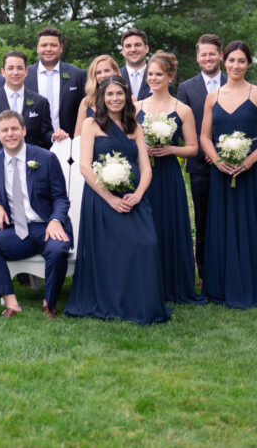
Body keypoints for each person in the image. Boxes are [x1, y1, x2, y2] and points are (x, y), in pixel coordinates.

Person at [65, 75, 171, 325]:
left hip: (134, 198)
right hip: (102, 200)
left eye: (119, 94)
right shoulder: (91, 125)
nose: (115, 99)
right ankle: (112, 301)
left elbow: (146, 168)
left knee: (146, 244)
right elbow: (84, 167)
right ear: (102, 97)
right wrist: (110, 198)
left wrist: (137, 195)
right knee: (111, 251)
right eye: (109, 94)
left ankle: (138, 302)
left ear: (127, 97)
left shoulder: (135, 125)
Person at [199, 41, 257, 309]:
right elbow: (205, 136)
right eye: (231, 61)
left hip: (251, 172)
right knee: (223, 225)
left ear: (248, 63)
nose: (236, 66)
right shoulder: (212, 97)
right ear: (223, 62)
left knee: (255, 224)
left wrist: (250, 160)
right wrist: (217, 161)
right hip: (222, 173)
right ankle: (222, 286)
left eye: (241, 61)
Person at [0, 110, 72, 319]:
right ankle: (12, 304)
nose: (10, 134)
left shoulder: (46, 158)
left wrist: (56, 220)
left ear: (23, 130)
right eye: (5, 130)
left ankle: (49, 303)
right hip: (18, 231)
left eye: (14, 129)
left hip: (47, 225)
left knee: (57, 250)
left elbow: (60, 197)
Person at [136, 52, 206, 304]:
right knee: (145, 229)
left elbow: (193, 147)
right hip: (143, 176)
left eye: (158, 74)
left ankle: (173, 284)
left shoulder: (183, 109)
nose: (153, 78)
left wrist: (170, 150)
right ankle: (145, 283)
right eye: (150, 74)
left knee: (169, 226)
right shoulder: (136, 107)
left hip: (168, 175)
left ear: (170, 76)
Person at [176, 33, 223, 285]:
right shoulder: (186, 88)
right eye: (203, 54)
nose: (208, 58)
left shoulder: (233, 81)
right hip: (199, 166)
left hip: (230, 162)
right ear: (197, 57)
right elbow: (184, 125)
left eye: (212, 53)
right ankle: (204, 273)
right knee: (203, 221)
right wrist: (206, 153)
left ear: (221, 56)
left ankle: (228, 267)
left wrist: (222, 153)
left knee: (228, 218)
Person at [0, 50, 53, 154]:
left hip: (31, 161)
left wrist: (54, 137)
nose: (15, 72)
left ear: (26, 72)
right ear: (3, 72)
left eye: (19, 68)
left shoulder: (40, 102)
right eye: (10, 68)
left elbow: (45, 134)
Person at [25, 27, 86, 142]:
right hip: (33, 145)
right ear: (37, 48)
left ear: (61, 48)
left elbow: (86, 111)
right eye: (44, 45)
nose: (48, 49)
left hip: (69, 143)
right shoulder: (24, 76)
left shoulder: (78, 75)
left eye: (53, 45)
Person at [73, 55, 120, 137]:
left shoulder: (129, 99)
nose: (103, 75)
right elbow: (78, 136)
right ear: (94, 76)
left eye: (107, 70)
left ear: (115, 71)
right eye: (98, 72)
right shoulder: (86, 102)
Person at [119, 28, 152, 100]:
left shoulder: (159, 76)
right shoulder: (115, 76)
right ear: (123, 51)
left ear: (146, 48)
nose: (133, 49)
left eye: (137, 45)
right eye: (128, 46)